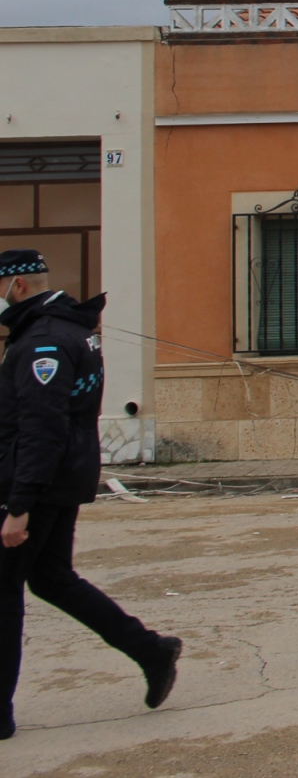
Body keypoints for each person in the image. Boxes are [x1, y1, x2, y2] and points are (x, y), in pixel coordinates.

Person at [0, 249, 181, 740]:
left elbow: (41, 427)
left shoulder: (43, 343)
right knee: (52, 579)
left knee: (6, 591)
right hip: (61, 480)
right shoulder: (69, 330)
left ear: (17, 287)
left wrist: (18, 506)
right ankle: (150, 650)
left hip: (39, 484)